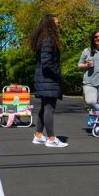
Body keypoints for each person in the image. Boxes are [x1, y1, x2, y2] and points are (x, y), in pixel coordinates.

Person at [29, 13, 68, 148]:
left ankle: (38, 135)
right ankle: (51, 138)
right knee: (49, 109)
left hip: (44, 80)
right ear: (50, 25)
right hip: (48, 80)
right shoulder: (48, 40)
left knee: (45, 108)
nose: (59, 25)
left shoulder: (45, 39)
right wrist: (58, 75)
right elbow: (47, 63)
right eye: (57, 23)